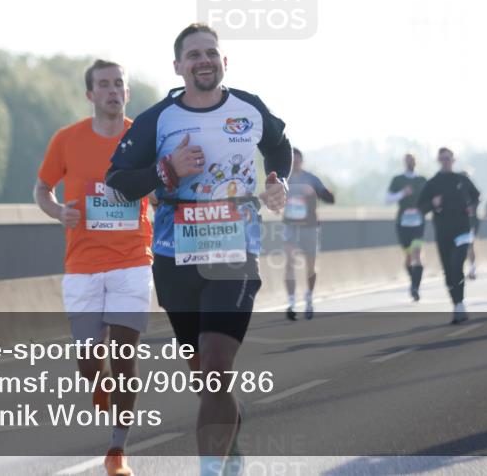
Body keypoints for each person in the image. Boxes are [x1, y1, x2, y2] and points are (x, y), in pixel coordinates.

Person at [105, 24, 290, 476]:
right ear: (178, 66)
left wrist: (276, 180)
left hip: (234, 252)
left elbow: (280, 148)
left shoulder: (250, 108)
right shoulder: (158, 119)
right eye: (194, 55)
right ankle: (230, 448)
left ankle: (209, 470)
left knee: (215, 361)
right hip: (175, 260)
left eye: (211, 53)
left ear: (224, 62)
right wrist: (165, 169)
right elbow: (116, 185)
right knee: (207, 374)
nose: (203, 60)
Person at [35, 60, 154, 476]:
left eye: (119, 83)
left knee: (124, 355)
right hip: (82, 264)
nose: (112, 90)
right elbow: (42, 187)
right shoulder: (67, 140)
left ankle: (118, 450)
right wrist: (56, 211)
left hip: (132, 260)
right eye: (103, 84)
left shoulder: (143, 138)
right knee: (90, 363)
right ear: (90, 95)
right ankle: (99, 383)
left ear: (127, 92)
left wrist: (161, 201)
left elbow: (157, 186)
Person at [418, 148, 481, 324]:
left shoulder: (462, 179)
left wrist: (472, 207)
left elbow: (477, 196)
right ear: (439, 160)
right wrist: (432, 204)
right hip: (443, 231)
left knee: (456, 265)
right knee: (448, 271)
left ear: (453, 160)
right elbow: (421, 208)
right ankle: (456, 304)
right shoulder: (433, 183)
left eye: (448, 158)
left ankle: (460, 304)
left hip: (462, 230)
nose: (446, 161)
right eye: (443, 158)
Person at [283, 148, 335, 320]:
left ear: (302, 161)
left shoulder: (311, 179)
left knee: (310, 266)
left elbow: (330, 199)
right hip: (291, 226)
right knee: (289, 262)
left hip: (310, 227)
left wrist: (317, 192)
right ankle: (291, 303)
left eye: (297, 160)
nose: (295, 163)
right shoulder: (284, 180)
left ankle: (309, 298)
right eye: (292, 161)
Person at [387, 153, 428, 300]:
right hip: (403, 223)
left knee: (417, 254)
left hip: (418, 222)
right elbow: (388, 199)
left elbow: (429, 198)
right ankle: (413, 280)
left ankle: (415, 287)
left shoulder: (422, 180)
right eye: (408, 160)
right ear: (404, 162)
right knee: (408, 257)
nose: (411, 162)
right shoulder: (398, 180)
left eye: (413, 160)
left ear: (416, 162)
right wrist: (402, 193)